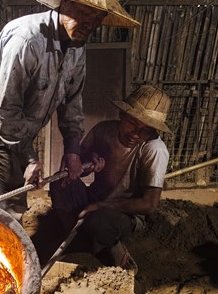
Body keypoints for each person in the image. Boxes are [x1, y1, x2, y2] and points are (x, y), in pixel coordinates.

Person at [0, 0, 139, 221]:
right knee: (12, 204)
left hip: (18, 129)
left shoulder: (78, 49)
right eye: (84, 13)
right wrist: (30, 159)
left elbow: (72, 106)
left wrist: (72, 152)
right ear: (64, 4)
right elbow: (8, 112)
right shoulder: (26, 42)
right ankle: (1, 255)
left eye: (98, 18)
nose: (90, 24)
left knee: (17, 199)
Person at [50, 85, 172, 272]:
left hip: (123, 214)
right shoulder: (103, 130)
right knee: (60, 183)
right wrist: (88, 162)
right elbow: (76, 169)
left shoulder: (154, 150)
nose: (136, 134)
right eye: (133, 122)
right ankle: (79, 236)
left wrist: (100, 206)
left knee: (97, 222)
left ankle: (109, 246)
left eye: (146, 130)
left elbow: (149, 205)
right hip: (94, 199)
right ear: (122, 114)